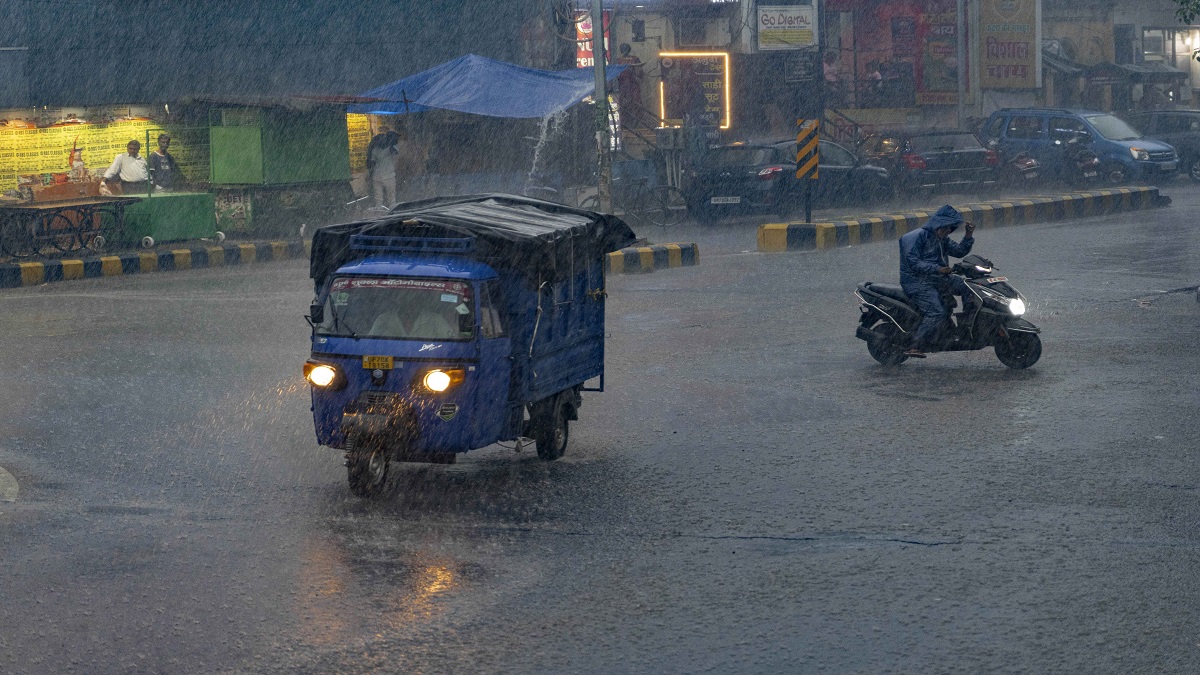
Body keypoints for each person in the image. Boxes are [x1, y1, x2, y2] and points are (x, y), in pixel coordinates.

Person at [898, 205, 976, 357]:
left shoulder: (943, 239)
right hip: (917, 282)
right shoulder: (914, 237)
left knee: (969, 286)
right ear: (938, 224)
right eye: (947, 227)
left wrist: (968, 235)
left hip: (939, 279)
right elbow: (912, 262)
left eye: (951, 228)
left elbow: (959, 251)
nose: (948, 231)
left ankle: (968, 325)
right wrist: (937, 269)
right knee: (936, 312)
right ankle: (916, 345)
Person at [366, 126, 400, 208]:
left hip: (377, 177)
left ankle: (379, 214)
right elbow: (395, 152)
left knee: (378, 201)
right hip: (389, 177)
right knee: (392, 200)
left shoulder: (375, 150)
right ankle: (392, 214)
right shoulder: (391, 148)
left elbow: (371, 164)